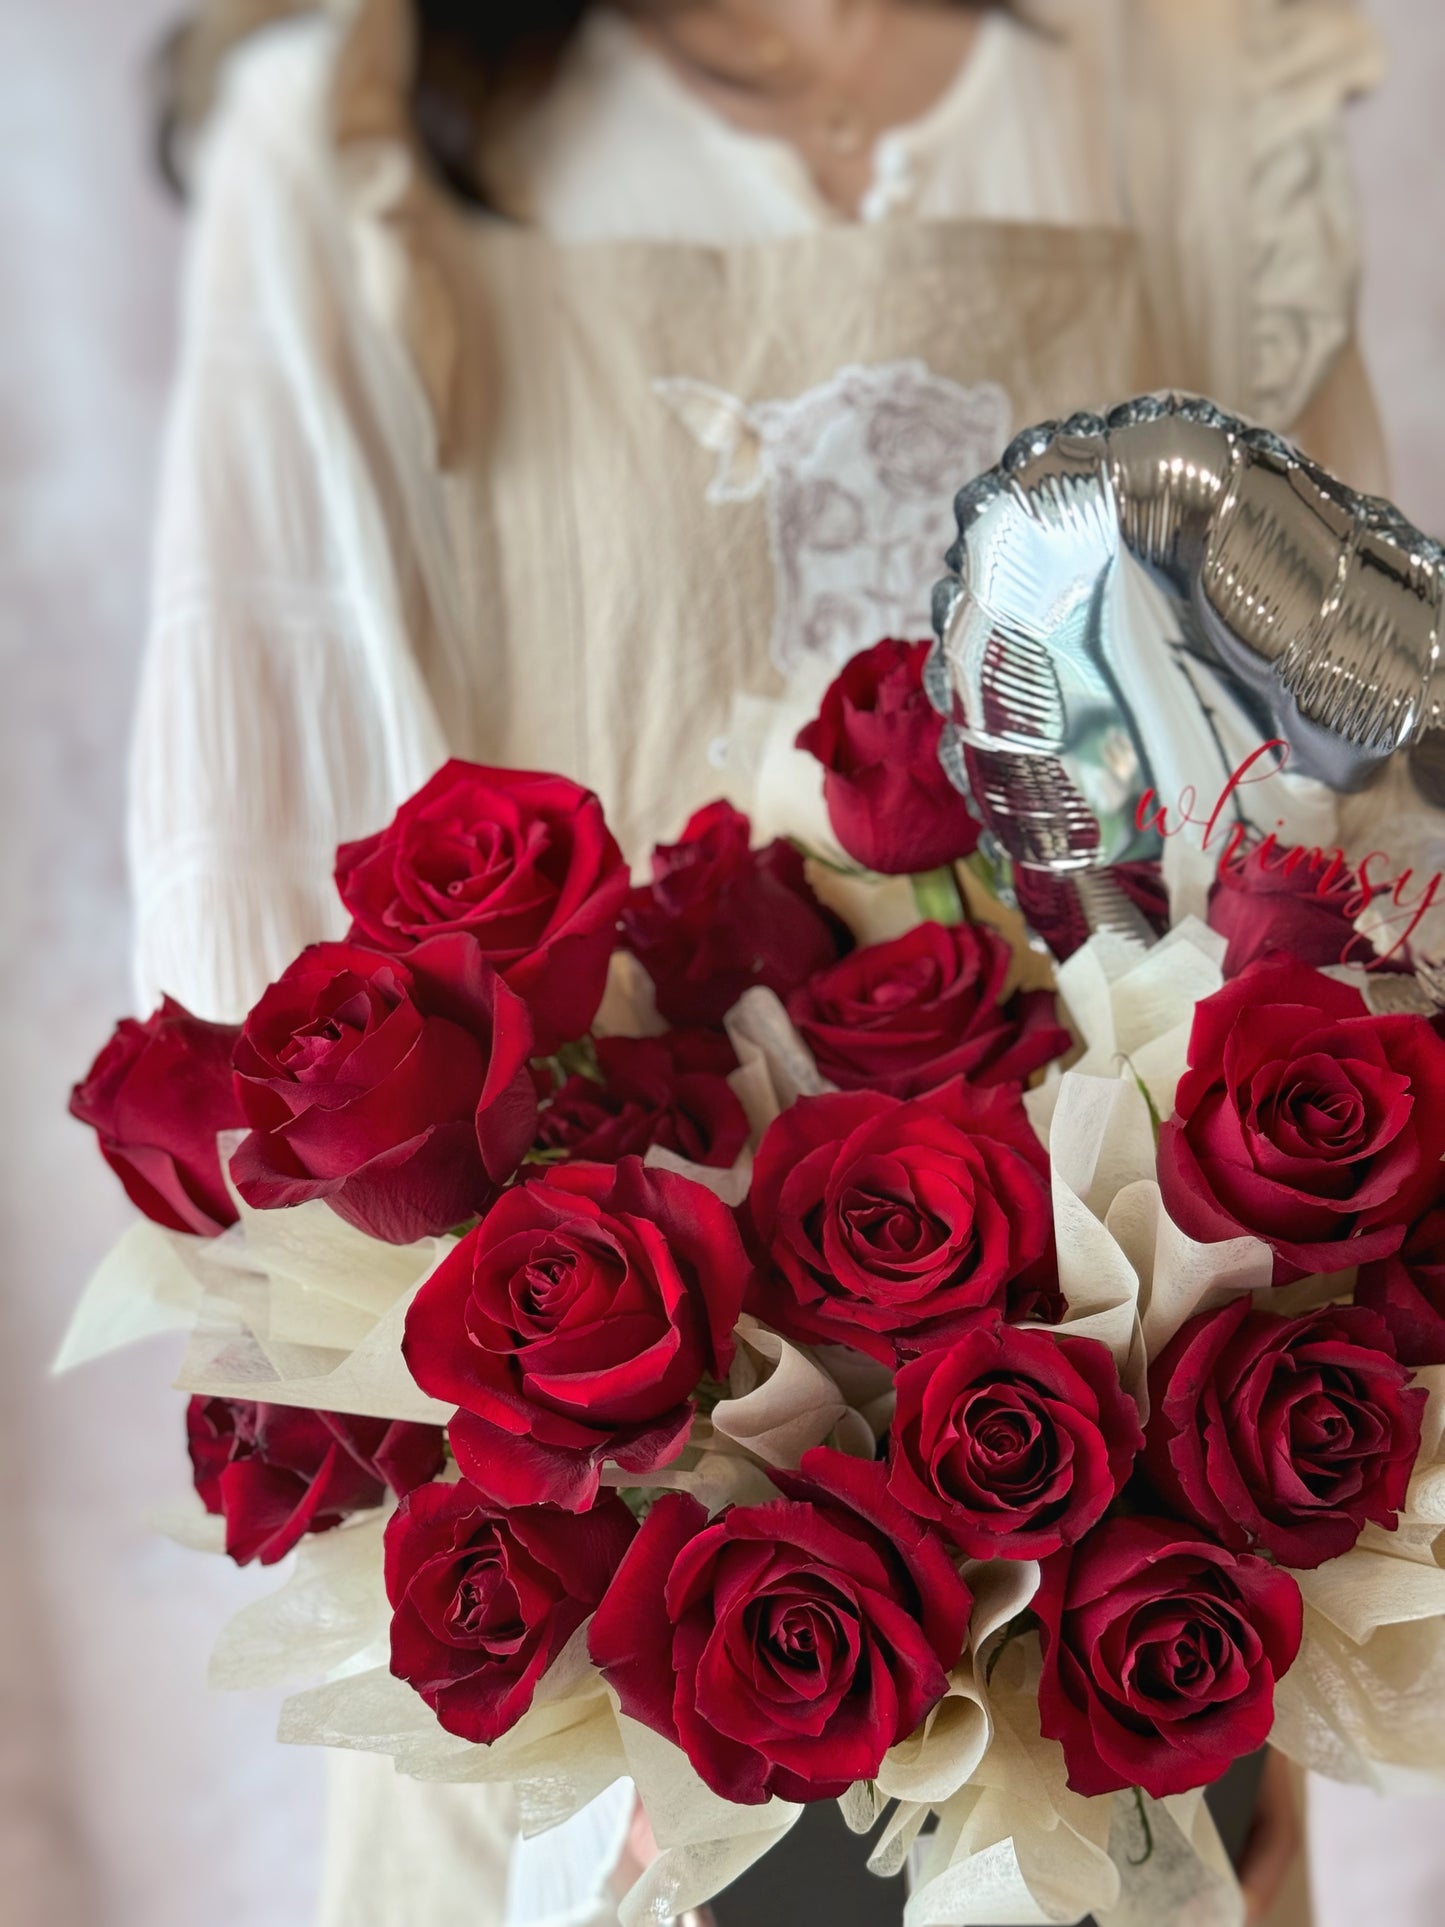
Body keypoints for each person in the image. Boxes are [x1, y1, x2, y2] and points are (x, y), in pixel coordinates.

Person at [134, 1, 1384, 1921]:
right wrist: (605, 1673)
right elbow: (259, 968)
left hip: (1125, 1612)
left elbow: (1343, 839)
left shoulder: (1189, 82)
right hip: (590, 1650)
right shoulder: (367, 141)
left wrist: (1251, 1641)